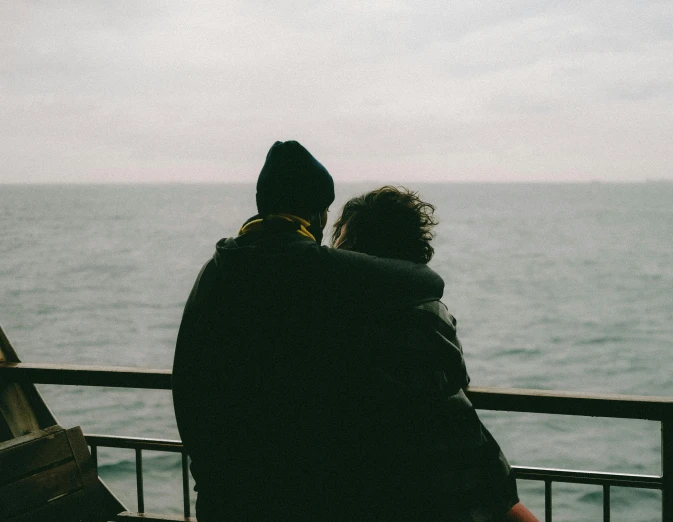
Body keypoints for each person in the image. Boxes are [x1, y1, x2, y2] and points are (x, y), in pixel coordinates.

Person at [173, 141, 476, 521]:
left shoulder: (215, 272)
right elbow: (425, 282)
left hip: (221, 492)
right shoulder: (315, 269)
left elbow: (186, 379)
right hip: (291, 497)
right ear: (318, 214)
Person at [332, 185, 540, 522]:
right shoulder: (429, 307)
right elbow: (456, 376)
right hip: (461, 460)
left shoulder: (344, 314)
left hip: (396, 474)